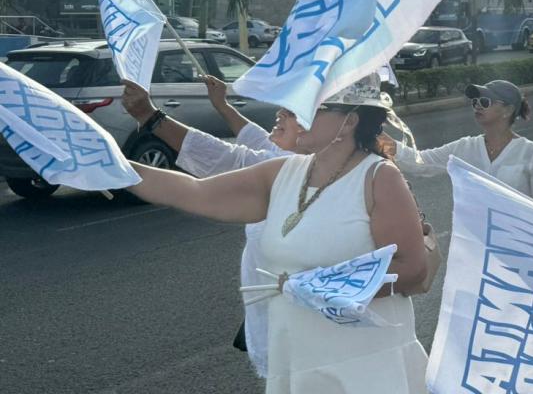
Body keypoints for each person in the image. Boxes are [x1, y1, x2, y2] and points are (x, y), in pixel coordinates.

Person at [123, 74, 430, 393]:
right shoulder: (283, 172)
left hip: (363, 366)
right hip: (299, 359)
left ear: (348, 122)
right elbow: (192, 191)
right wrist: (103, 162)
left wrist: (319, 285)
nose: (293, 113)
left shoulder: (379, 177)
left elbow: (411, 268)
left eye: (311, 107)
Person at [121, 75, 302, 376]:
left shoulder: (294, 171)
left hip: (304, 336)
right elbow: (252, 138)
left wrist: (147, 119)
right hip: (279, 324)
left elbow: (220, 160)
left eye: (292, 112)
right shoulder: (288, 158)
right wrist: (222, 105)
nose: (279, 114)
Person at [394, 80, 533, 210]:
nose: (478, 105)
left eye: (485, 102)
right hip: (475, 245)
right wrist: (378, 137)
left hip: (517, 245)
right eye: (475, 102)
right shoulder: (465, 147)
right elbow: (420, 162)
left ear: (507, 110)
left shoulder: (530, 152)